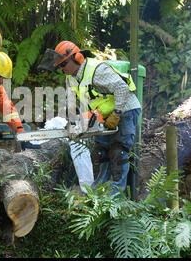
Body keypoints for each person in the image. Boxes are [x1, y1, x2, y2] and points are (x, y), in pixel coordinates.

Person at [40, 41, 141, 195]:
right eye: (59, 66)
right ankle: (101, 186)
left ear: (78, 58)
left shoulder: (97, 70)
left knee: (118, 151)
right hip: (102, 113)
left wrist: (116, 114)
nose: (62, 69)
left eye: (64, 64)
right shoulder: (70, 78)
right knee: (101, 151)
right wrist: (74, 122)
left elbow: (122, 89)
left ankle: (116, 193)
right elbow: (72, 102)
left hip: (125, 108)